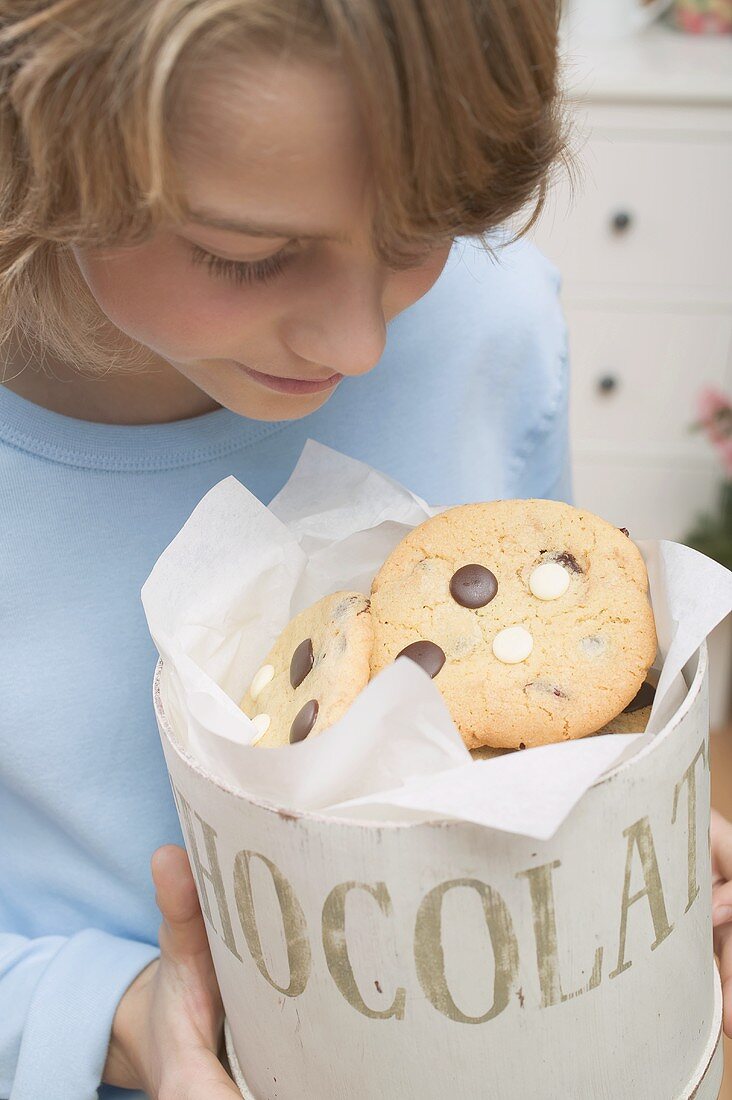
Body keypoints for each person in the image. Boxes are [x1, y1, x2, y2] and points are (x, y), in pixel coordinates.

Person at [0, 2, 728, 1098]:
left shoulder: (494, 324)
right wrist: (118, 1015)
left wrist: (620, 836)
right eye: (247, 256)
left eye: (415, 236)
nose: (360, 342)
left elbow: (535, 720)